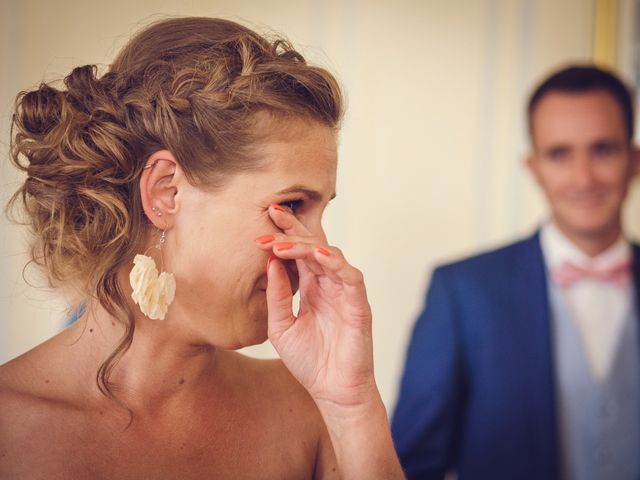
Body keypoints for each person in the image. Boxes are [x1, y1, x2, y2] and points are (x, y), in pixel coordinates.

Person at [0, 17, 403, 479]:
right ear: (166, 192)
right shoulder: (9, 428)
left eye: (320, 212)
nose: (317, 248)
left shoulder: (308, 412)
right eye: (291, 204)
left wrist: (352, 408)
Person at [392, 65, 640, 480]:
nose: (583, 177)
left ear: (634, 161)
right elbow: (412, 465)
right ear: (534, 166)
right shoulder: (462, 292)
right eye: (559, 154)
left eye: (603, 150)